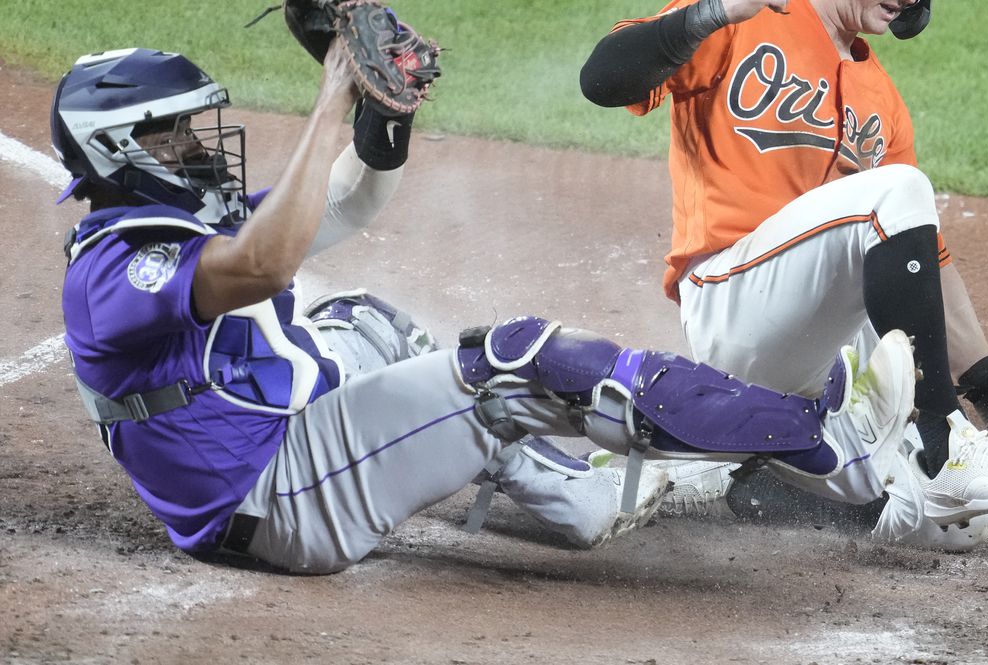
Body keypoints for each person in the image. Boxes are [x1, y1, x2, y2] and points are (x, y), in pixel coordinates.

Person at [52, 42, 928, 574]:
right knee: (513, 366)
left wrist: (384, 116)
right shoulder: (115, 268)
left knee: (367, 324)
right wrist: (332, 97)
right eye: (176, 133)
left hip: (272, 451)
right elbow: (267, 257)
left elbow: (351, 201)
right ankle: (826, 437)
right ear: (121, 149)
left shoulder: (179, 223)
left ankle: (577, 501)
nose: (200, 145)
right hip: (272, 500)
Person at [578, 0, 988, 547]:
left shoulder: (881, 99)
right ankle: (945, 445)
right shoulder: (738, 14)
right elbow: (601, 79)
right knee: (898, 194)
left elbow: (927, 264)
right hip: (735, 303)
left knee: (963, 527)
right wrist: (711, 12)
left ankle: (740, 471)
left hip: (815, 348)